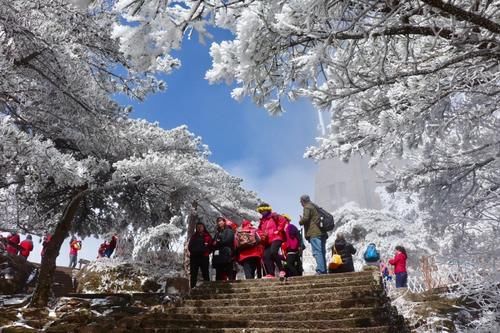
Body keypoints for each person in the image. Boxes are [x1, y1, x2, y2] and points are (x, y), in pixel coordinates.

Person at [256, 203, 287, 279]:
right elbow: (259, 230)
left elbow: (283, 220)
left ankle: (281, 270)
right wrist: (261, 236)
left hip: (276, 237)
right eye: (261, 210)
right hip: (267, 241)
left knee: (273, 252)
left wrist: (278, 230)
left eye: (264, 210)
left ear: (267, 209)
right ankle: (271, 274)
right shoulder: (262, 221)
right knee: (266, 256)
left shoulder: (274, 216)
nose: (263, 212)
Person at [298, 195, 327, 275]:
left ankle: (320, 270)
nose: (301, 204)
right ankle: (324, 269)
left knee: (317, 251)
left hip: (314, 232)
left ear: (303, 201)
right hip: (322, 232)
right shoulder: (315, 206)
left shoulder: (307, 207)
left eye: (301, 202)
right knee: (322, 251)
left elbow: (306, 218)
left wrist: (300, 221)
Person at [188, 222, 213, 288]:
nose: (199, 228)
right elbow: (190, 246)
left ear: (203, 227)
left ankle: (208, 287)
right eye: (198, 227)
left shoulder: (207, 236)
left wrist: (206, 251)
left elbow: (211, 246)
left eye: (201, 226)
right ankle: (192, 287)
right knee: (193, 273)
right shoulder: (194, 236)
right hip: (194, 257)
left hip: (204, 257)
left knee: (205, 272)